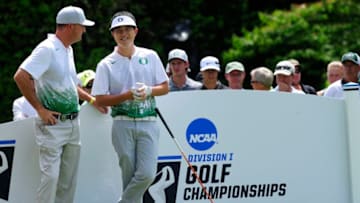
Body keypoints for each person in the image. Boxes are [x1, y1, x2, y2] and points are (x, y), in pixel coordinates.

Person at [13, 6, 107, 203]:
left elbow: (71, 85)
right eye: (82, 26)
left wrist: (91, 99)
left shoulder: (67, 49)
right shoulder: (47, 49)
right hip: (52, 125)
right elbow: (21, 76)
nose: (84, 30)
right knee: (51, 178)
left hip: (73, 124)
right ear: (71, 26)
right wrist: (40, 109)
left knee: (68, 181)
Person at [91, 11, 169, 203]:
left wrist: (149, 91)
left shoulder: (150, 56)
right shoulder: (106, 64)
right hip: (121, 124)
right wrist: (126, 96)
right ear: (112, 34)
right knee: (129, 177)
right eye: (118, 31)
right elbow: (99, 99)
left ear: (135, 31)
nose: (123, 34)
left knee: (148, 174)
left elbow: (165, 87)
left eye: (127, 29)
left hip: (148, 121)